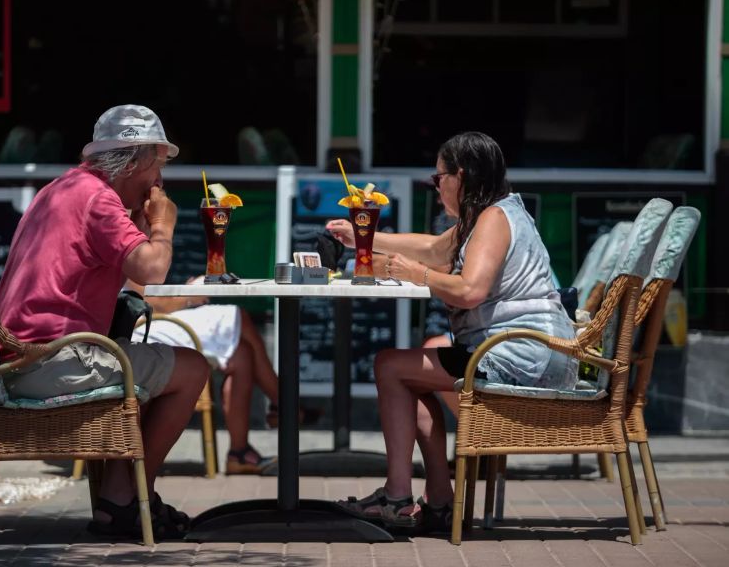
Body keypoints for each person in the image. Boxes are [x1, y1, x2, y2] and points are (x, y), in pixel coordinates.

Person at [326, 132, 577, 535]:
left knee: (389, 365)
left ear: (459, 176)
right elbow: (434, 249)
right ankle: (440, 500)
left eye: (438, 177)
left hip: (523, 354)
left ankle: (397, 498)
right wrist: (361, 238)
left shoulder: (494, 219)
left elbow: (470, 290)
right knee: (423, 356)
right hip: (523, 348)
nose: (436, 184)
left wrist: (413, 274)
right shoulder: (491, 214)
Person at [0, 104, 211, 539]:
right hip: (47, 362)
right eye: (158, 167)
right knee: (192, 369)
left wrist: (136, 220)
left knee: (146, 363)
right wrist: (163, 225)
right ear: (136, 162)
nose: (160, 182)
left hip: (15, 359)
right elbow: (151, 270)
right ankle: (138, 498)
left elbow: (118, 270)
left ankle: (118, 500)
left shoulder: (64, 188)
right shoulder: (98, 200)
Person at [123, 277, 280, 474]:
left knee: (242, 354)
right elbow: (152, 302)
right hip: (142, 328)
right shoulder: (130, 251)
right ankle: (284, 404)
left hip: (155, 322)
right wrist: (190, 296)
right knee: (235, 315)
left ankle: (239, 453)